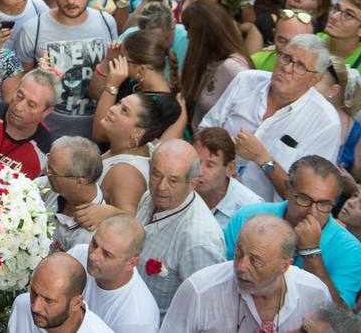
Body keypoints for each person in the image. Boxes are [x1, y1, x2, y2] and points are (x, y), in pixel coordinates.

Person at [200, 34, 341, 201]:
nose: (287, 68)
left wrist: (263, 159)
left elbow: (306, 198)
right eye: (286, 57)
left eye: (300, 66)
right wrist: (222, 148)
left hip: (263, 216)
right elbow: (204, 131)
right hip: (208, 192)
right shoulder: (246, 80)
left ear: (315, 79)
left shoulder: (326, 123)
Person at [223, 155, 361, 308]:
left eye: (324, 204)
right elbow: (222, 279)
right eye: (304, 199)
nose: (312, 212)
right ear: (287, 189)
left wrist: (311, 253)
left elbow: (337, 316)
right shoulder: (246, 218)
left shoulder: (351, 250)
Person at [158, 214, 331, 332]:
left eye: (255, 261)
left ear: (284, 266)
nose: (241, 266)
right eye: (239, 252)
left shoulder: (315, 293)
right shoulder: (200, 290)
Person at [15, 0, 121, 137]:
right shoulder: (33, 29)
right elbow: (21, 83)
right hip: (46, 132)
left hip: (96, 130)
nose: (71, 0)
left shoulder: (106, 22)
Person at [133, 140, 226, 315]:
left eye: (173, 180)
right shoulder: (149, 197)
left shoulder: (198, 241)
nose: (161, 187)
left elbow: (205, 309)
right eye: (156, 174)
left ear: (193, 183)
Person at [67, 215, 161, 333]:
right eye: (94, 244)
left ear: (131, 263)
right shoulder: (77, 255)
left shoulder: (137, 320)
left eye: (107, 254)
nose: (92, 256)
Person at [7, 252, 115, 333]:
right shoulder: (21, 306)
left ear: (76, 303)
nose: (35, 307)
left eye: (48, 300)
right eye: (34, 293)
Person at [192, 127, 264, 229]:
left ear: (229, 168)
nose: (199, 171)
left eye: (210, 165)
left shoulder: (251, 209)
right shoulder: (181, 186)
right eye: (196, 162)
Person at [47, 136, 109, 253]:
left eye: (52, 172)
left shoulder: (89, 237)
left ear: (79, 181)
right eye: (48, 163)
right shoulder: (52, 182)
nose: (46, 172)